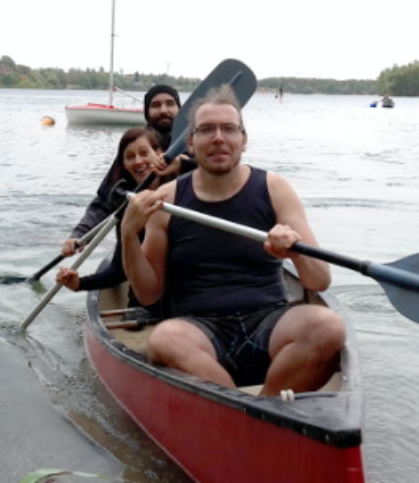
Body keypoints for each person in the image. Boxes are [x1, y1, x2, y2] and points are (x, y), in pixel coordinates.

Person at [121, 85, 345, 397]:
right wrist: (129, 234)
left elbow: (319, 280)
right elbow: (147, 294)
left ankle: (262, 408)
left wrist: (294, 252)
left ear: (243, 139)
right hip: (200, 331)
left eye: (229, 128)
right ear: (190, 141)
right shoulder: (167, 200)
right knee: (163, 339)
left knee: (329, 327)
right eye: (206, 129)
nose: (218, 138)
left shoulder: (274, 188)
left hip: (269, 322)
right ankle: (248, 415)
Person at [61, 84, 192, 257]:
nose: (163, 110)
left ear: (179, 109)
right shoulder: (135, 147)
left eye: (169, 104)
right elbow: (104, 201)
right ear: (146, 112)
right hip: (144, 243)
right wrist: (80, 234)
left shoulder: (196, 146)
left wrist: (186, 164)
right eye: (155, 105)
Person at [55, 127, 171, 315]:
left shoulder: (183, 188)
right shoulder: (128, 207)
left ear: (159, 154)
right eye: (130, 156)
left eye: (144, 153)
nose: (138, 161)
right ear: (124, 164)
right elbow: (120, 269)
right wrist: (79, 284)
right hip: (148, 300)